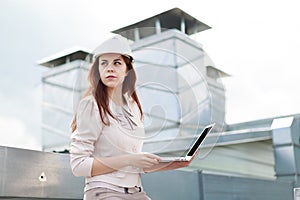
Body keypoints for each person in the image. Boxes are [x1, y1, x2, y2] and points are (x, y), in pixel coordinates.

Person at [70, 34, 195, 200]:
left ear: (127, 70)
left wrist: (174, 163)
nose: (110, 68)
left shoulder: (133, 107)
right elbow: (78, 166)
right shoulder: (91, 105)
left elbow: (133, 164)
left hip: (136, 192)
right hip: (104, 192)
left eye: (117, 63)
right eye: (104, 63)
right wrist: (130, 159)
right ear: (98, 70)